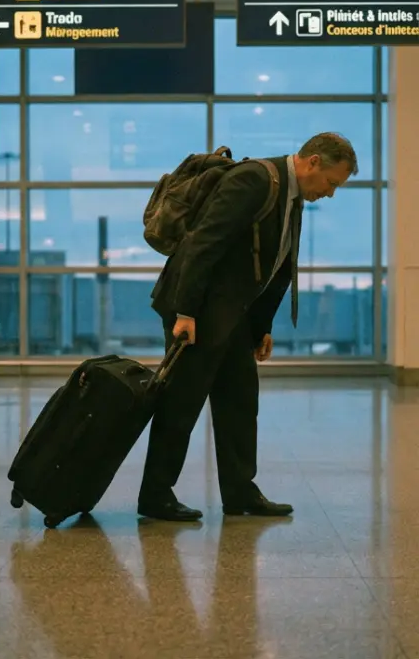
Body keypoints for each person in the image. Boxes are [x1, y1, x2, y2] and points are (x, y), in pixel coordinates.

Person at [139, 132, 358, 521]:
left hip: (233, 316)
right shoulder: (255, 180)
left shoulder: (291, 196)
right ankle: (155, 495)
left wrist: (261, 327)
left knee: (240, 402)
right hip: (199, 312)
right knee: (181, 403)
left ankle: (240, 492)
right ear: (313, 164)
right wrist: (186, 312)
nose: (330, 193)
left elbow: (272, 266)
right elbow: (203, 242)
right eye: (331, 183)